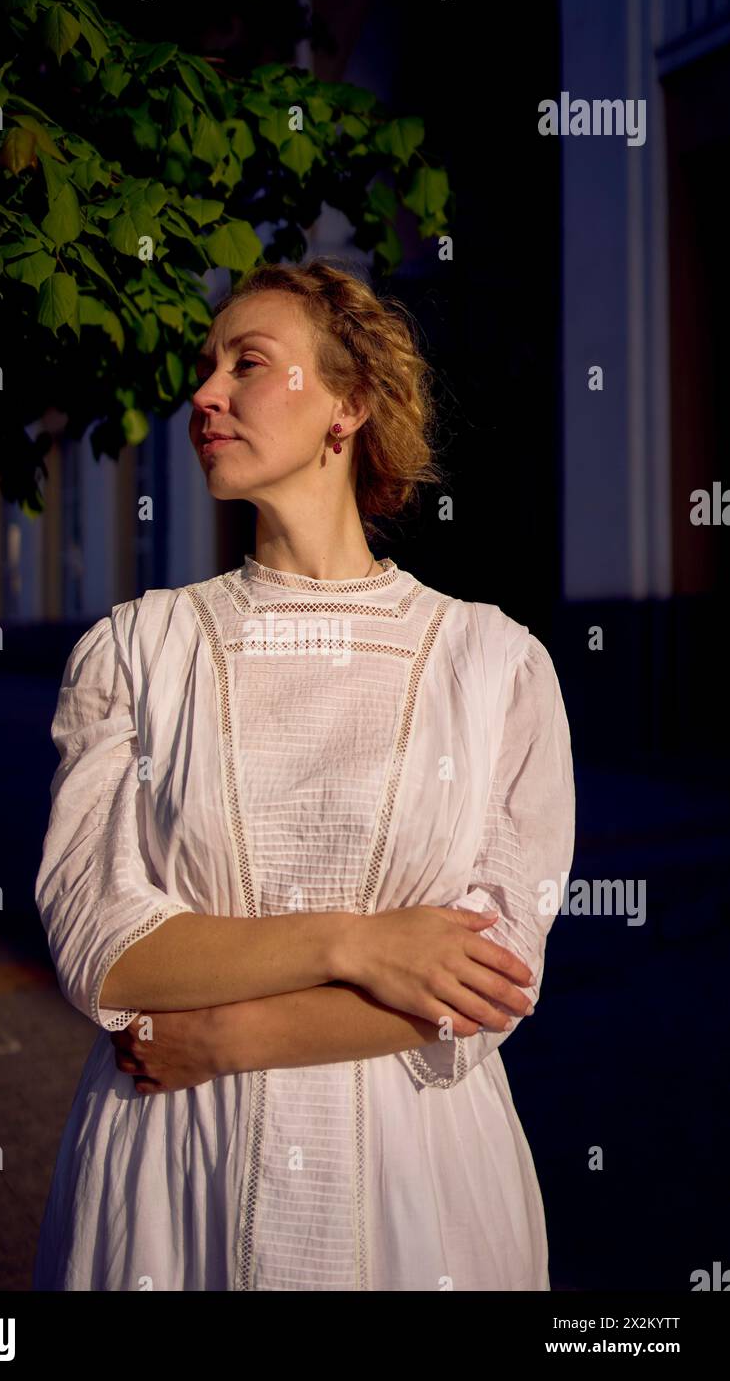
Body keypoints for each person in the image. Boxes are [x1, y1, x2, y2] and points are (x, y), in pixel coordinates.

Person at [32, 258, 575, 1291]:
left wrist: (229, 1034)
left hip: (415, 1183)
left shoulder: (492, 665)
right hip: (174, 1174)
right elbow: (103, 950)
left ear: (347, 404)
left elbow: (489, 980)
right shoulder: (137, 654)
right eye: (205, 367)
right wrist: (357, 944)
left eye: (248, 364)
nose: (204, 394)